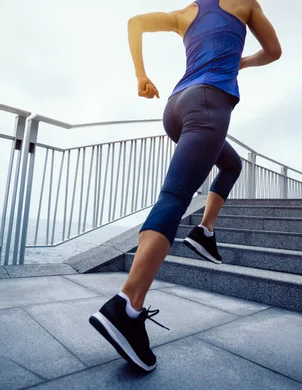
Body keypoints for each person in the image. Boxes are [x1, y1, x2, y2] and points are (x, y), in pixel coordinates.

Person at [89, 0, 281, 372]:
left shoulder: (185, 14)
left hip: (176, 107)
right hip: (210, 102)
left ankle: (205, 231)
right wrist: (242, 62)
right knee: (175, 196)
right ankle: (126, 305)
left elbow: (135, 21)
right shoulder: (244, 3)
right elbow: (273, 51)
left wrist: (140, 76)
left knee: (231, 163)